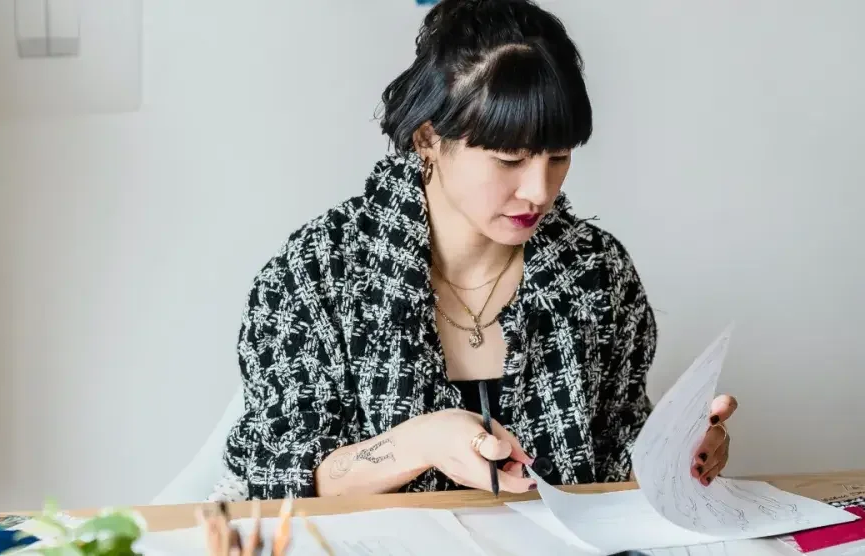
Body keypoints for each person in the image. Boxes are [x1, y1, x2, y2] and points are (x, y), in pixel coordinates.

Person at [212, 0, 737, 502]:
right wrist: (419, 446)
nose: (539, 190)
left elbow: (615, 449)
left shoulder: (595, 271)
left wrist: (676, 450)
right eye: (510, 160)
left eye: (558, 157)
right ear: (426, 138)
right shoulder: (319, 273)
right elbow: (276, 478)